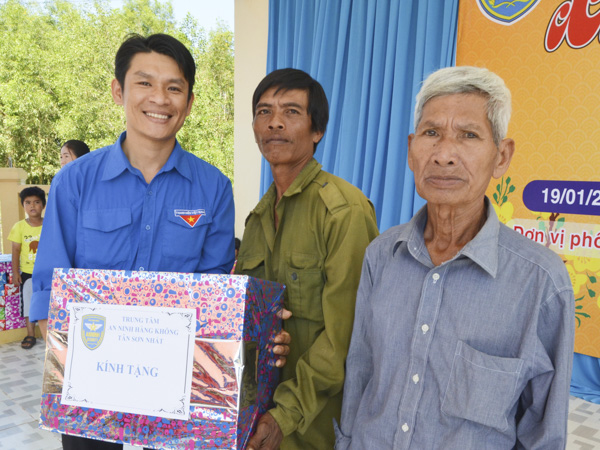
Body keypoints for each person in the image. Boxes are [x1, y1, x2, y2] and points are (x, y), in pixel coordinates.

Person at [31, 33, 289, 450]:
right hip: (93, 391)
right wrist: (83, 368)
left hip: (177, 394)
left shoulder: (213, 189)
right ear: (119, 91)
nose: (160, 98)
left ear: (188, 101)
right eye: (145, 83)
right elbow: (50, 290)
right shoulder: (74, 183)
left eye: (174, 87)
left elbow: (212, 294)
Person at [335, 66, 575, 449]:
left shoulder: (541, 282)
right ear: (412, 150)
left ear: (501, 157)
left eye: (468, 135)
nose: (444, 155)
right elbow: (361, 372)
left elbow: (545, 434)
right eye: (431, 133)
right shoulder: (381, 254)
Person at [235, 68, 379, 450]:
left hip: (311, 428)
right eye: (264, 112)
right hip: (256, 421)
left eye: (292, 112)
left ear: (317, 131)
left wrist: (284, 415)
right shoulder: (258, 218)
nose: (275, 122)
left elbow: (345, 336)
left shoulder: (343, 210)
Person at [9, 186, 46, 349]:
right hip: (28, 274)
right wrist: (15, 272)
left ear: (43, 205)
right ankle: (30, 334)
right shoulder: (19, 227)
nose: (32, 206)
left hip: (47, 272)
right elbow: (15, 250)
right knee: (28, 303)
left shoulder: (50, 225)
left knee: (49, 302)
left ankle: (50, 334)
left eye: (37, 202)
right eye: (28, 202)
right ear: (23, 205)